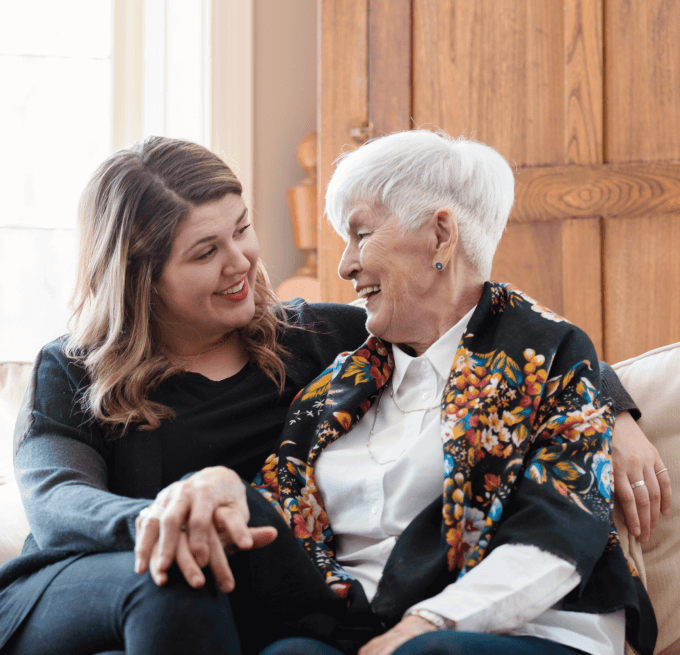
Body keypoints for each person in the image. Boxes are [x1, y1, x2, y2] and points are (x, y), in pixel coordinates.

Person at [0, 134, 665, 655]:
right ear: (140, 278)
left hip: (228, 605)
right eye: (205, 251)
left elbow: (481, 317)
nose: (242, 262)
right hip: (82, 578)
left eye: (242, 228)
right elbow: (57, 502)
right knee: (178, 572)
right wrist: (167, 518)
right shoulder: (76, 365)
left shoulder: (311, 340)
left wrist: (611, 402)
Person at [245, 130, 658, 654]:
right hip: (360, 627)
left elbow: (555, 533)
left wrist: (425, 624)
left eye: (361, 234)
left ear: (441, 235)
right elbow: (275, 507)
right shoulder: (335, 386)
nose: (345, 265)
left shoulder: (548, 356)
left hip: (529, 628)